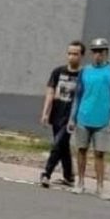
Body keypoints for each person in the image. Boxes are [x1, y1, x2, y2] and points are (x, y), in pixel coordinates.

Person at [68, 37, 110, 201]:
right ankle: (80, 182)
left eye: (100, 52)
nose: (97, 55)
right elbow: (78, 96)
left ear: (106, 52)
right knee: (81, 150)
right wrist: (72, 117)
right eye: (94, 52)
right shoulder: (85, 71)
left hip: (103, 119)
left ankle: (100, 187)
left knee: (100, 153)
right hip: (84, 116)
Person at [38, 41, 85, 188]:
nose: (71, 57)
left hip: (71, 116)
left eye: (75, 54)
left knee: (58, 144)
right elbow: (50, 92)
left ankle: (47, 173)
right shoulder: (58, 72)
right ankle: (69, 176)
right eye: (69, 53)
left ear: (81, 56)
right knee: (63, 145)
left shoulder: (84, 75)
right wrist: (45, 112)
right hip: (57, 113)